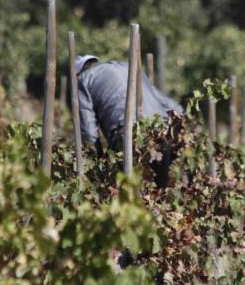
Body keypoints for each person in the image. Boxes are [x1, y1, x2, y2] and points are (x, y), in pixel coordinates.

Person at [75, 55, 183, 188]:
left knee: (127, 194)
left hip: (126, 134)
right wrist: (182, 130)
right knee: (160, 193)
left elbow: (88, 129)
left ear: (79, 71)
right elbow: (168, 103)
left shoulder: (83, 80)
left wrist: (95, 163)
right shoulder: (128, 67)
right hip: (161, 132)